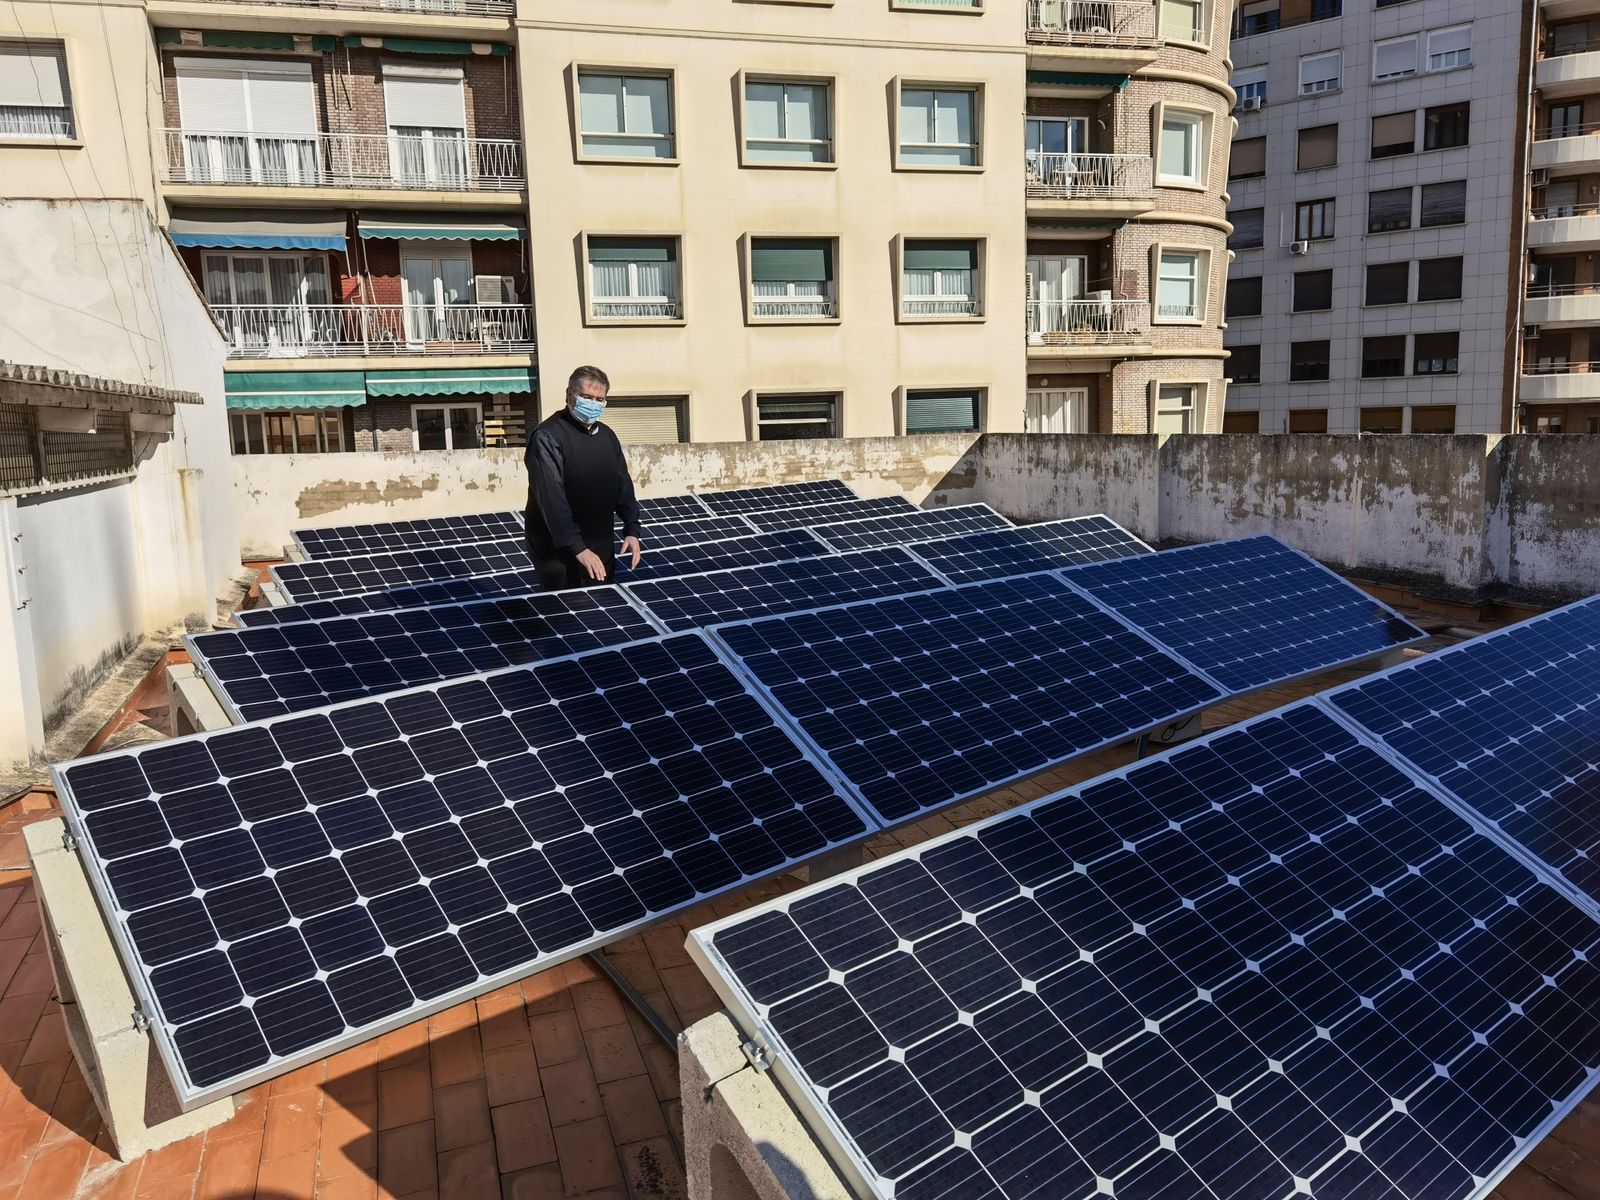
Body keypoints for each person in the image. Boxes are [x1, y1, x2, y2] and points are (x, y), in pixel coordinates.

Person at [524, 366, 643, 591]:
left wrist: (632, 529)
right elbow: (552, 499)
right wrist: (578, 548)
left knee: (602, 614)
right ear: (570, 395)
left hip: (600, 547)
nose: (594, 403)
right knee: (568, 616)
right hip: (559, 553)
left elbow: (622, 486)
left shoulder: (607, 436)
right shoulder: (547, 437)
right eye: (587, 397)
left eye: (600, 399)